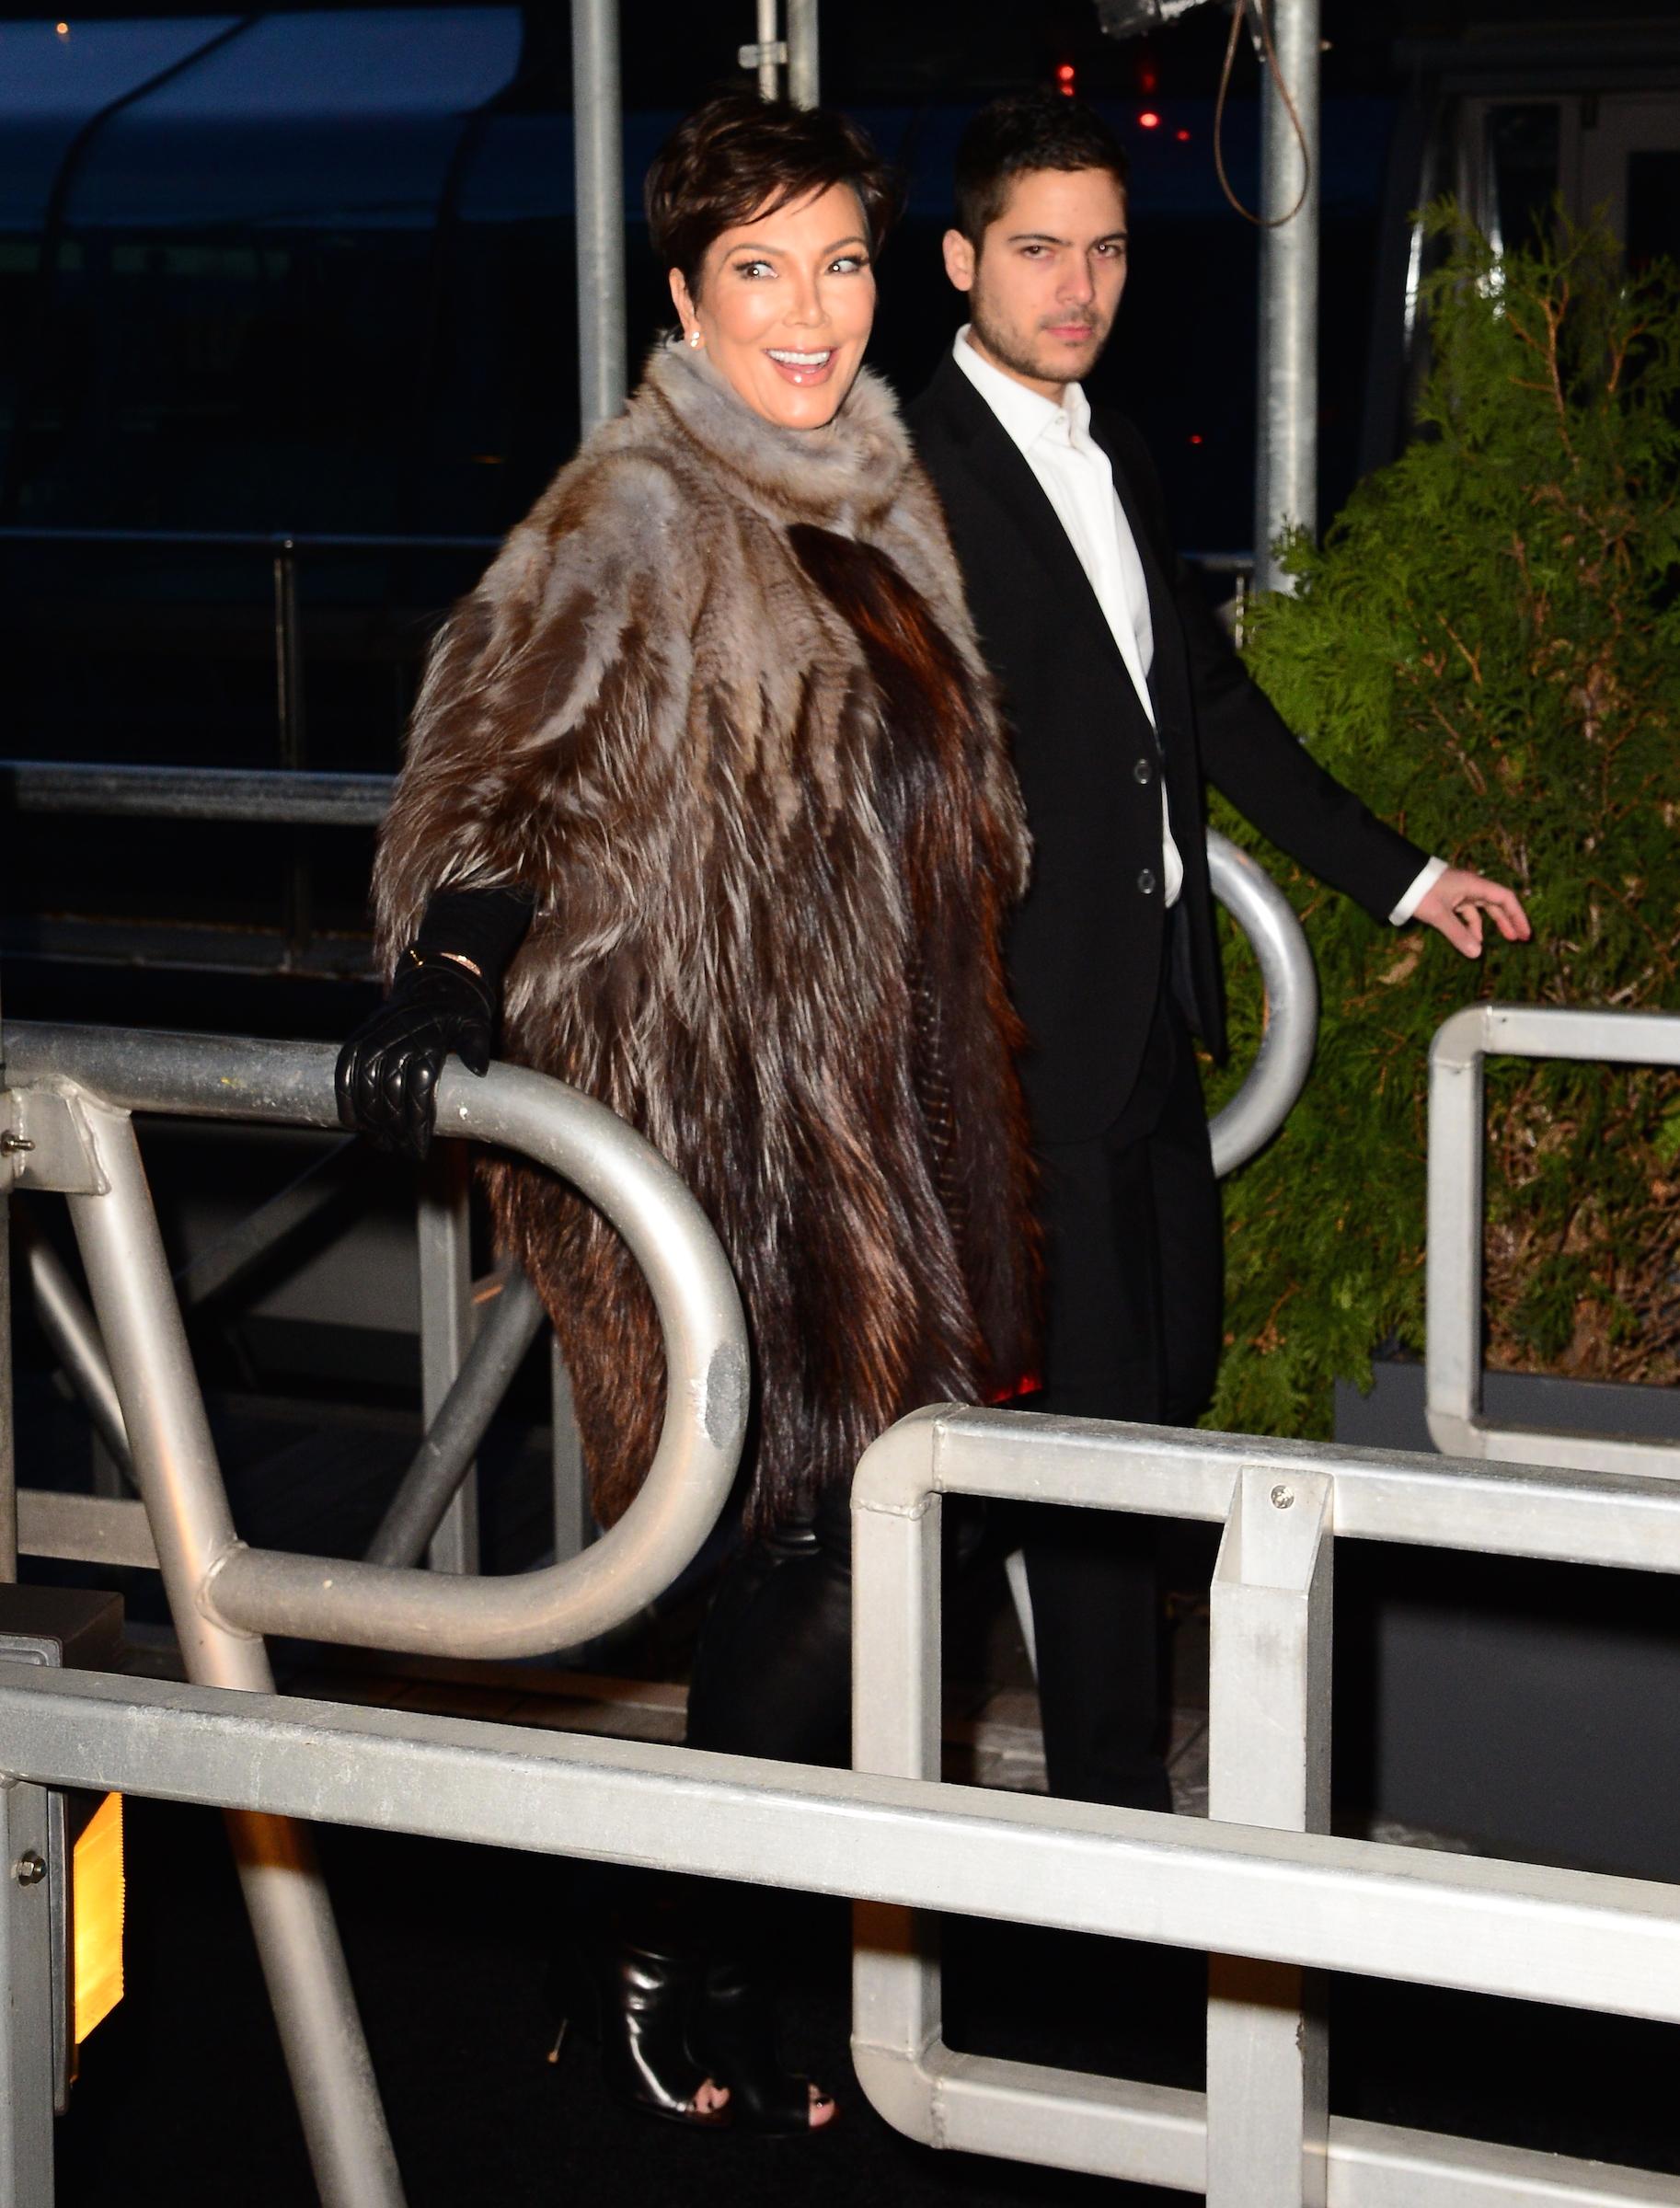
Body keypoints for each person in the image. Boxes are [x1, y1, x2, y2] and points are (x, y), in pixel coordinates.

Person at [335, 93, 1038, 2134]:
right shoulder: (636, 506)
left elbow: (945, 798)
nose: (808, 312)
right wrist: (455, 959)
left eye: (839, 263)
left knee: (830, 1553)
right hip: (715, 1120)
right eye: (760, 270)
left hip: (890, 1112)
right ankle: (680, 1941)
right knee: (798, 1538)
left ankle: (723, 1944)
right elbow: (498, 759)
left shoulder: (880, 483)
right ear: (682, 293)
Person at [907, 92, 1531, 1813]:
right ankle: (1100, 1815)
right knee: (1101, 1434)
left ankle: (998, 1693)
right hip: (1016, 1046)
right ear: (961, 262)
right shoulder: (913, 478)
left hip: (1140, 1022)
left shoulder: (1101, 452)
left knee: (1161, 1386)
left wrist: (1401, 879)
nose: (1076, 282)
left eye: (1104, 248)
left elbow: (1209, 707)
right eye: (1037, 248)